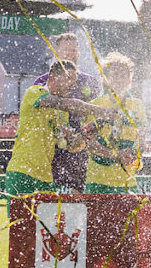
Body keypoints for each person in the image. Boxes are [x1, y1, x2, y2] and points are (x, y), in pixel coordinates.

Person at [5, 61, 116, 196]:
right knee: (20, 211)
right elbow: (66, 104)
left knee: (48, 211)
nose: (73, 85)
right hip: (22, 172)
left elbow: (71, 146)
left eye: (74, 81)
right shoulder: (34, 92)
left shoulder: (62, 114)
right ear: (53, 77)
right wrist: (101, 111)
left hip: (45, 178)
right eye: (69, 79)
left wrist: (86, 134)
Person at [33, 32, 102, 193]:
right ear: (56, 52)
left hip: (79, 146)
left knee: (78, 194)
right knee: (49, 193)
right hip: (51, 145)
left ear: (78, 53)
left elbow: (95, 117)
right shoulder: (43, 81)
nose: (70, 54)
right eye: (66, 50)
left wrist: (86, 137)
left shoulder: (89, 81)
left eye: (73, 50)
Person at [83, 53, 146, 194]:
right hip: (98, 180)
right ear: (105, 79)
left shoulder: (137, 105)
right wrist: (116, 155)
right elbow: (90, 144)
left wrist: (134, 153)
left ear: (130, 80)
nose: (119, 80)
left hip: (128, 181)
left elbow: (140, 140)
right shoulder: (95, 105)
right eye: (115, 75)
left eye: (123, 76)